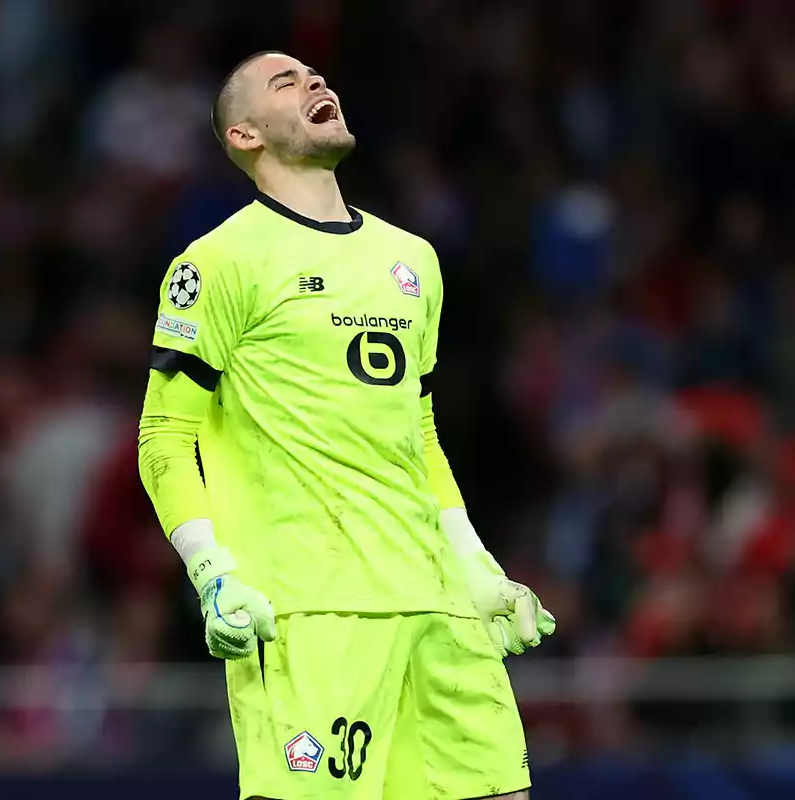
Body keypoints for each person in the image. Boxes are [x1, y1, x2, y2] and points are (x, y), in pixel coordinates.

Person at [137, 51, 555, 800]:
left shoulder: (412, 260)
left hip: (435, 603)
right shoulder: (218, 263)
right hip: (309, 609)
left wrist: (474, 562)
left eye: (317, 76)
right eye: (285, 83)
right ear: (244, 135)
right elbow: (165, 435)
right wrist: (211, 573)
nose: (316, 83)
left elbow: (417, 433)